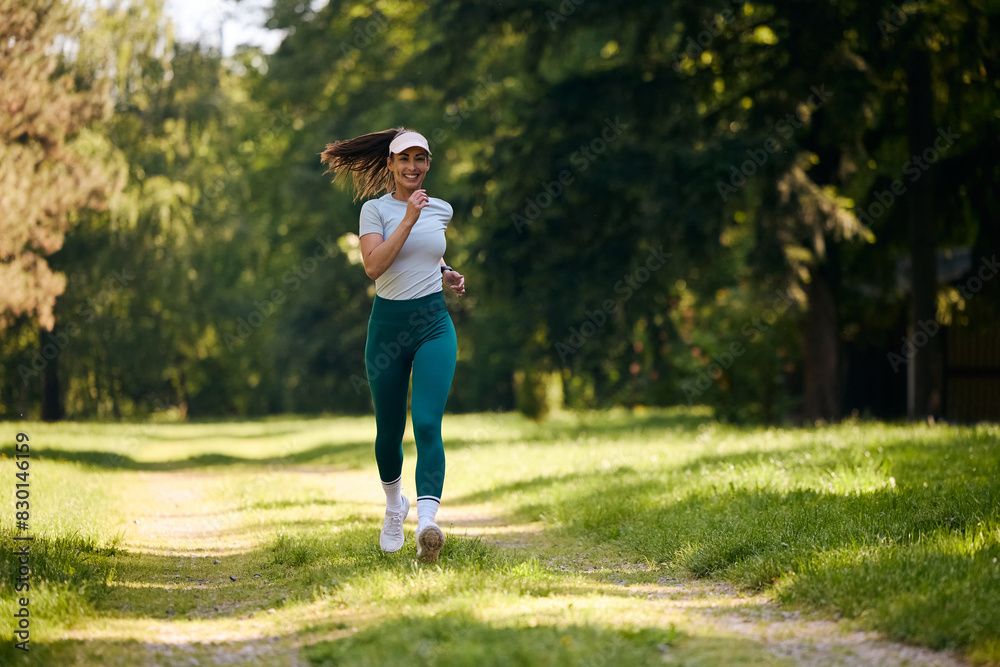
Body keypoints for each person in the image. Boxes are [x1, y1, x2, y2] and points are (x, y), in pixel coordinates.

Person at [320, 128, 465, 563]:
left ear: (428, 164)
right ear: (390, 164)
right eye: (405, 159)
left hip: (434, 324)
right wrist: (407, 218)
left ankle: (426, 524)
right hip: (387, 329)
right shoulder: (374, 211)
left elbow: (427, 252)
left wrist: (447, 271)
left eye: (421, 159)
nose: (413, 167)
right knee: (389, 431)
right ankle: (393, 506)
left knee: (426, 423)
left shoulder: (441, 208)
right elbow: (374, 265)